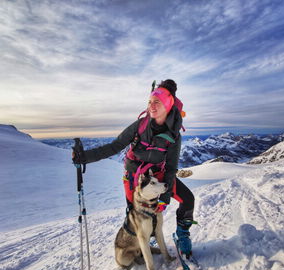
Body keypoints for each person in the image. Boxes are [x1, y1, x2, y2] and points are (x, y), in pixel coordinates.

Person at [72, 79, 195, 257]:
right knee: (135, 210)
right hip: (134, 175)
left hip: (159, 174)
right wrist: (84, 157)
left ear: (168, 104)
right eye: (150, 102)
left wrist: (165, 197)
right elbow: (114, 146)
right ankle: (141, 241)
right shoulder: (140, 126)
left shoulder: (174, 134)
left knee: (188, 199)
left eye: (157, 102)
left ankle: (182, 234)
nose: (152, 106)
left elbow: (171, 167)